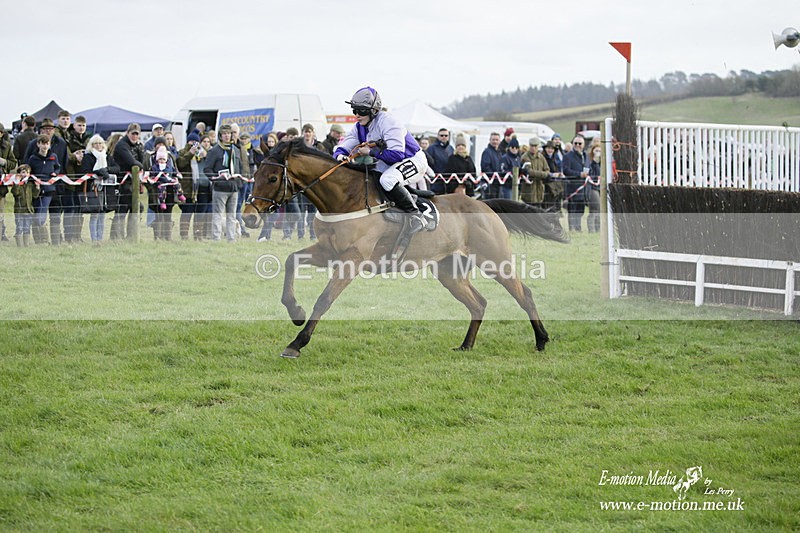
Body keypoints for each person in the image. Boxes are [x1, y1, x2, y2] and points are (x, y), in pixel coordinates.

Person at [332, 87, 427, 233]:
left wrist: (371, 151)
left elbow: (397, 155)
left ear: (374, 110)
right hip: (391, 162)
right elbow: (345, 145)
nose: (357, 115)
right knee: (370, 178)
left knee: (387, 180)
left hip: (413, 159)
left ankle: (416, 216)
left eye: (361, 111)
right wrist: (339, 155)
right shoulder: (360, 127)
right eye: (354, 110)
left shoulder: (389, 122)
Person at [24, 119, 68, 245]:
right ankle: (40, 241)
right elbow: (27, 163)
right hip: (37, 186)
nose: (48, 131)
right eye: (45, 129)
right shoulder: (33, 144)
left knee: (55, 215)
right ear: (41, 130)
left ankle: (56, 241)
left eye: (50, 129)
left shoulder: (61, 143)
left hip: (55, 185)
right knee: (38, 213)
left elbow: (63, 164)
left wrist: (58, 177)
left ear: (54, 130)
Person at [204, 124, 242, 241]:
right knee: (218, 215)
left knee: (232, 216)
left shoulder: (235, 150)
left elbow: (239, 168)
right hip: (220, 188)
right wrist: (216, 178)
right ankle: (216, 238)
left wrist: (239, 183)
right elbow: (207, 169)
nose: (227, 136)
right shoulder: (214, 150)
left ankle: (231, 238)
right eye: (224, 134)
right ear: (220, 136)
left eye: (229, 133)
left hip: (233, 188)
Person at [112, 123, 146, 240]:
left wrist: (141, 164)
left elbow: (143, 162)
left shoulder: (138, 146)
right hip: (122, 183)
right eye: (133, 133)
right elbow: (133, 162)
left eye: (137, 134)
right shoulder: (122, 145)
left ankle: (130, 236)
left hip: (133, 183)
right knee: (124, 208)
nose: (135, 136)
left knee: (133, 207)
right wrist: (141, 165)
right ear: (128, 133)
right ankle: (118, 236)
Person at [80, 135, 115, 244]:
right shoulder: (88, 156)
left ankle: (100, 238)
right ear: (91, 145)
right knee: (94, 213)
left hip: (105, 188)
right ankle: (94, 239)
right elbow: (85, 170)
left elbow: (116, 168)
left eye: (100, 143)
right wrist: (98, 172)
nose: (98, 145)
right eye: (96, 143)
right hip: (93, 188)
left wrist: (106, 169)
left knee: (102, 214)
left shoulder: (107, 156)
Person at [25, 133, 60, 245]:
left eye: (47, 144)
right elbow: (29, 171)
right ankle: (38, 240)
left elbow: (58, 167)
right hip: (36, 190)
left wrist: (55, 173)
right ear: (38, 144)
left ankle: (44, 240)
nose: (45, 146)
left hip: (49, 190)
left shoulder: (53, 156)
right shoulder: (33, 158)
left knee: (42, 215)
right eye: (43, 144)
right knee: (37, 213)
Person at [176, 132, 209, 240]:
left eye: (196, 142)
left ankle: (198, 235)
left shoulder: (203, 152)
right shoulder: (182, 152)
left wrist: (206, 155)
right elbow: (180, 164)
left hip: (202, 187)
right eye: (192, 142)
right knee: (187, 211)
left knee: (200, 212)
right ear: (188, 141)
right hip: (188, 188)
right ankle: (184, 236)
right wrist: (190, 153)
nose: (194, 144)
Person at [562, 134, 589, 232]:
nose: (577, 145)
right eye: (575, 143)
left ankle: (578, 228)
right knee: (572, 209)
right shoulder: (567, 156)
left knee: (580, 209)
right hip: (572, 187)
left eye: (580, 143)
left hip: (584, 187)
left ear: (584, 144)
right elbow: (565, 170)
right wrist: (579, 174)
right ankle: (572, 228)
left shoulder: (586, 156)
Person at [257, 133, 280, 242]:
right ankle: (263, 236)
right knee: (269, 215)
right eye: (269, 142)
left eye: (272, 142)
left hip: (275, 188)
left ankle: (265, 236)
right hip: (266, 187)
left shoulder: (278, 155)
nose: (270, 144)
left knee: (274, 215)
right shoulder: (266, 154)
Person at [10, 164, 39, 246]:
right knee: (19, 228)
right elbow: (15, 193)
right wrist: (17, 183)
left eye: (27, 172)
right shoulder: (17, 184)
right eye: (23, 172)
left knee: (27, 228)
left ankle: (26, 244)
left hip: (28, 210)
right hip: (19, 210)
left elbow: (35, 195)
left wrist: (37, 188)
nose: (25, 174)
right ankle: (19, 245)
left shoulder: (30, 184)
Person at [519, 136, 551, 206]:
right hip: (528, 191)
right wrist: (544, 174)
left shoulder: (541, 157)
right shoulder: (525, 157)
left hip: (539, 190)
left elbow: (547, 170)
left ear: (538, 146)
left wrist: (544, 174)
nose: (533, 148)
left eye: (535, 146)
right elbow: (529, 172)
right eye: (531, 146)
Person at [0, 123, 18, 241]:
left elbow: (13, 162)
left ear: (2, 134)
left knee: (1, 211)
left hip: (1, 186)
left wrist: (4, 162)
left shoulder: (6, 146)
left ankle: (1, 234)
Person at [426, 128, 453, 194]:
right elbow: (428, 164)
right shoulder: (431, 148)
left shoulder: (451, 148)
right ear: (438, 136)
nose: (444, 137)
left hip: (448, 180)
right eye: (442, 135)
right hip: (435, 181)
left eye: (446, 135)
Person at [541, 140, 564, 211]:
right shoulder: (542, 157)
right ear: (545, 149)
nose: (550, 150)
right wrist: (552, 174)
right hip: (545, 185)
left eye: (552, 148)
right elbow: (542, 171)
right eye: (548, 148)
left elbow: (558, 168)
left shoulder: (555, 158)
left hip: (555, 185)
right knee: (546, 207)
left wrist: (559, 174)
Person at [479, 132, 503, 199]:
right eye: (493, 140)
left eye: (496, 140)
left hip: (498, 183)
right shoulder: (487, 152)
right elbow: (485, 167)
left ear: (499, 141)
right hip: (490, 183)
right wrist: (495, 176)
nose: (495, 141)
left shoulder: (499, 153)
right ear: (490, 140)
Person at [586, 144, 602, 233]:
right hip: (592, 187)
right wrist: (595, 163)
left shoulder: (601, 163)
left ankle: (598, 228)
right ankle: (591, 229)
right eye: (596, 151)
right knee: (595, 208)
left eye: (599, 151)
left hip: (600, 188)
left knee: (599, 210)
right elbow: (590, 173)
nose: (598, 153)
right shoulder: (590, 162)